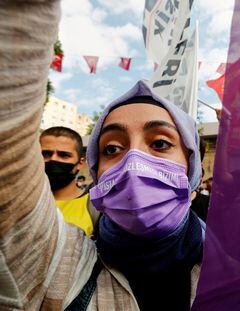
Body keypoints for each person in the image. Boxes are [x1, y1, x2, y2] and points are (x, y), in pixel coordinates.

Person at [0, 2, 202, 310]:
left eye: (160, 144)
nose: (133, 161)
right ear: (95, 170)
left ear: (192, 168)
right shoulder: (60, 265)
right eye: (111, 149)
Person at [40, 126, 94, 236]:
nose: (53, 159)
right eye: (46, 154)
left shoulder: (95, 208)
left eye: (64, 155)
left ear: (80, 163)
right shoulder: (19, 202)